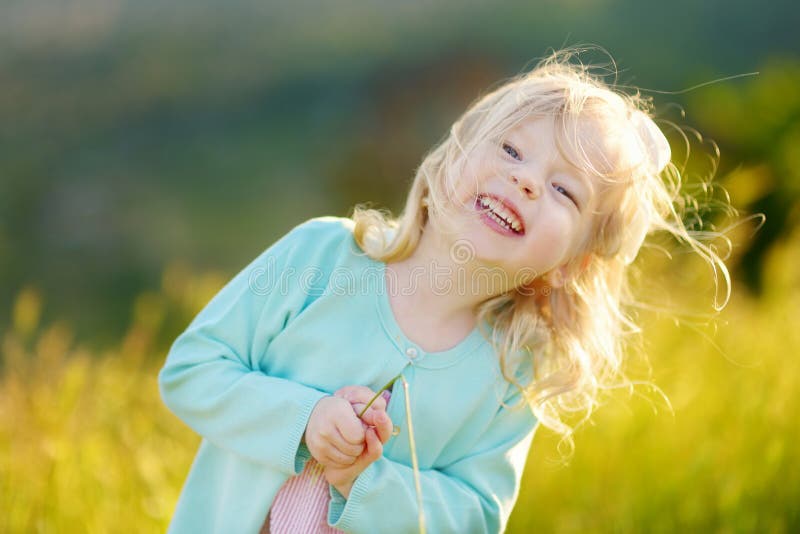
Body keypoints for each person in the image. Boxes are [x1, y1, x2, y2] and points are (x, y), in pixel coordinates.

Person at [158, 48, 731, 533]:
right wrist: (305, 420)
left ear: (570, 266)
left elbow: (477, 515)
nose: (527, 179)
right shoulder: (322, 256)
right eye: (510, 150)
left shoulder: (510, 374)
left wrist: (365, 480)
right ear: (454, 154)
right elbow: (193, 369)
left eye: (565, 190)